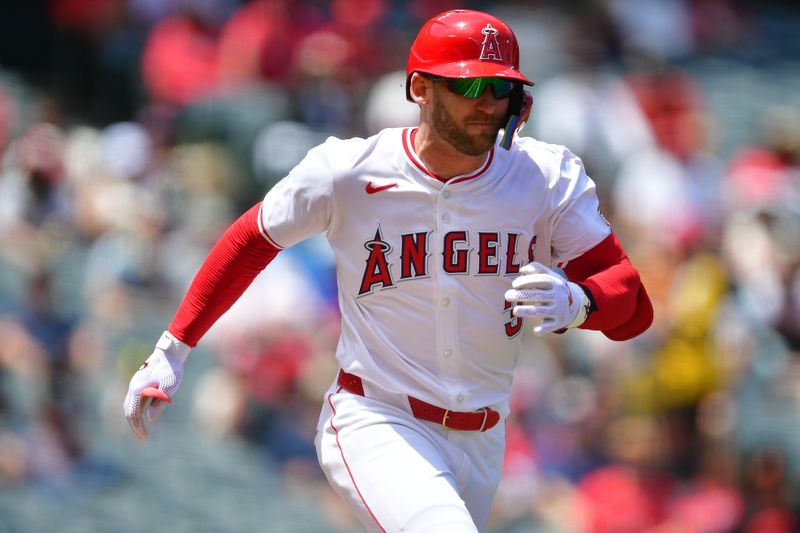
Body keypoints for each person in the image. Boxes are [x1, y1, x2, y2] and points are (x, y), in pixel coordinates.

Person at [124, 9, 653, 532]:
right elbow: (250, 239)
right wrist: (173, 349)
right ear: (420, 88)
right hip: (377, 418)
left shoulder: (544, 175)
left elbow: (633, 306)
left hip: (485, 435)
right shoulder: (349, 171)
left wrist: (580, 302)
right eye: (469, 88)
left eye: (500, 88)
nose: (488, 104)